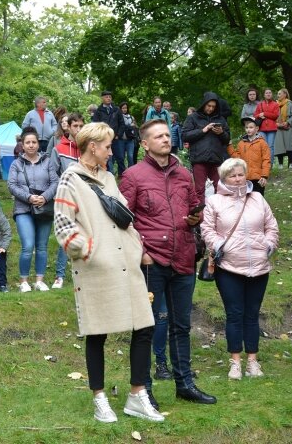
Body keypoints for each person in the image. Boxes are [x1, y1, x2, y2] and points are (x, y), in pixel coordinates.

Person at [53, 122, 163, 423]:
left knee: (144, 325)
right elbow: (63, 226)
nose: (111, 151)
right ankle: (99, 398)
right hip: (97, 268)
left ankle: (137, 395)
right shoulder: (69, 180)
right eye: (107, 146)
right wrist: (91, 251)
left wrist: (137, 247)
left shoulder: (109, 178)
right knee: (97, 331)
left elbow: (123, 217)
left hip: (128, 264)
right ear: (92, 147)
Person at [119, 119, 217, 408]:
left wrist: (195, 218)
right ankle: (143, 389)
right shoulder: (132, 176)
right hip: (152, 259)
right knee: (146, 326)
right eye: (157, 136)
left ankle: (184, 383)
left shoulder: (185, 174)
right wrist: (141, 253)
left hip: (184, 256)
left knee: (181, 326)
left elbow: (195, 206)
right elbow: (124, 221)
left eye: (166, 134)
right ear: (145, 144)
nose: (165, 139)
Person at [201, 157, 279, 380]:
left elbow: (271, 226)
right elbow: (207, 230)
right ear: (224, 178)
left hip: (259, 266)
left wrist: (269, 245)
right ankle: (235, 362)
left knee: (252, 315)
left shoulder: (258, 199)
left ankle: (253, 361)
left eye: (240, 174)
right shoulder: (214, 201)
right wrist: (218, 245)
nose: (237, 179)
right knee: (234, 314)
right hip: (228, 267)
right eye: (232, 175)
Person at [7, 127, 59, 292]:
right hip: (23, 208)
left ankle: (39, 280)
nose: (31, 145)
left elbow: (55, 182)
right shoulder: (16, 164)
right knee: (28, 245)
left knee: (42, 246)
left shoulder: (48, 161)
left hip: (44, 208)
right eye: (27, 142)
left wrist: (45, 197)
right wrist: (29, 198)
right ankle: (23, 281)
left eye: (34, 142)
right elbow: (12, 185)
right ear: (22, 145)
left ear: (38, 144)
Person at [50, 113, 84, 288]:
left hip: (85, 199)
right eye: (75, 126)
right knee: (67, 235)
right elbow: (53, 173)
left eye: (81, 126)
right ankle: (60, 276)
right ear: (68, 127)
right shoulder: (59, 148)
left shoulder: (87, 148)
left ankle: (84, 274)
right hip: (66, 199)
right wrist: (61, 192)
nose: (78, 129)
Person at [182, 91, 231, 201]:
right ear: (204, 104)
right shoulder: (193, 118)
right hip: (199, 159)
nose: (211, 109)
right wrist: (203, 130)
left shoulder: (221, 119)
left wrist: (221, 133)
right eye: (209, 106)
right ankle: (201, 216)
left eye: (213, 106)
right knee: (199, 190)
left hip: (216, 159)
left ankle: (220, 215)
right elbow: (185, 136)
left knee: (220, 189)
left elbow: (227, 140)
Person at [227, 117, 270, 195]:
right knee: (245, 200)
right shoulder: (241, 143)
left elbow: (266, 160)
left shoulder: (262, 143)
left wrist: (264, 176)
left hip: (258, 178)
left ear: (257, 128)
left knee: (257, 200)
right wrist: (229, 146)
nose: (248, 129)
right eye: (246, 127)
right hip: (245, 178)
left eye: (251, 127)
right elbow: (237, 159)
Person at [92, 91, 126, 175]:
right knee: (106, 157)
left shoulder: (116, 109)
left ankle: (122, 176)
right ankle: (107, 175)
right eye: (106, 97)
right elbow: (95, 124)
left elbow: (122, 123)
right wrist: (101, 136)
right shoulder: (98, 111)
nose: (108, 98)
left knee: (120, 157)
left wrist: (118, 135)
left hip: (116, 138)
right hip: (104, 139)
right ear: (102, 98)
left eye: (110, 97)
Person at [273, 88, 292, 168]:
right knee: (279, 146)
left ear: (285, 94)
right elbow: (272, 116)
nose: (278, 95)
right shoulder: (275, 104)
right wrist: (276, 124)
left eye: (279, 93)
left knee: (290, 145)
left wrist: (288, 122)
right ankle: (280, 164)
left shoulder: (290, 104)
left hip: (287, 127)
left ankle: (291, 164)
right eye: (278, 94)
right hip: (278, 128)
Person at [254, 88, 279, 166]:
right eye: (266, 93)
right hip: (262, 128)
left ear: (271, 94)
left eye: (270, 93)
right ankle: (263, 164)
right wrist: (260, 115)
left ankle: (270, 164)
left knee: (270, 146)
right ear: (264, 95)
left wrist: (264, 113)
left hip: (272, 129)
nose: (268, 94)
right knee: (263, 146)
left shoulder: (275, 104)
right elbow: (255, 115)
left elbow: (275, 115)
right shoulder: (260, 104)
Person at [119, 103, 138, 169]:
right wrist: (129, 126)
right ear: (120, 109)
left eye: (126, 108)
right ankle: (122, 172)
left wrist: (134, 126)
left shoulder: (131, 117)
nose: (124, 109)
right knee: (121, 157)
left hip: (130, 139)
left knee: (130, 156)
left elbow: (136, 126)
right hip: (121, 139)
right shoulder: (118, 117)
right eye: (123, 108)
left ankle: (131, 171)